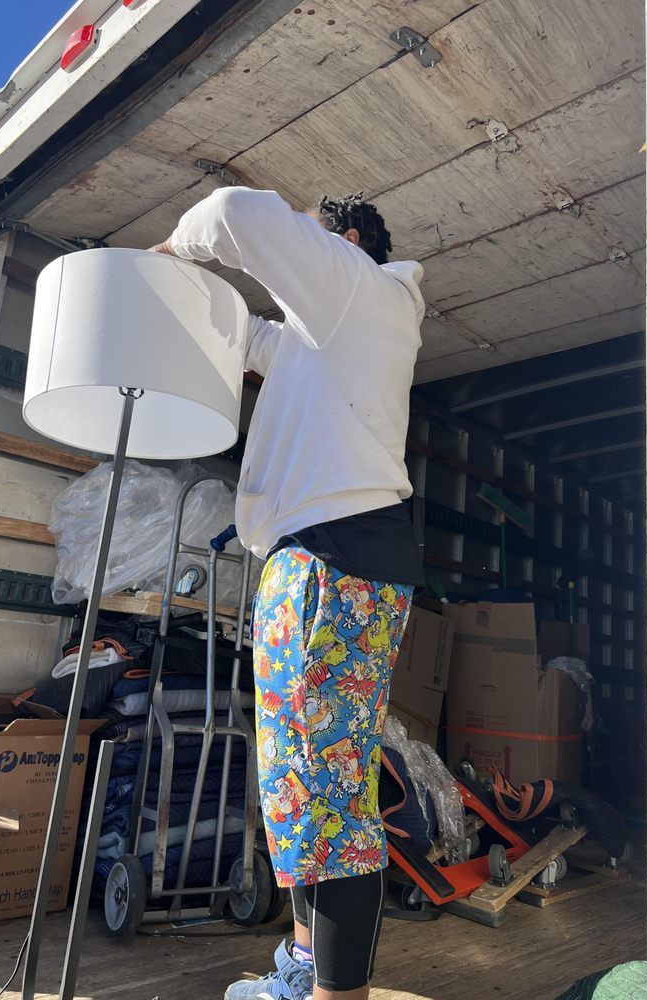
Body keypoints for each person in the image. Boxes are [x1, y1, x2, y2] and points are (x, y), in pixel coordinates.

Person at [149, 186, 426, 1000]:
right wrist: (194, 308)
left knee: (326, 801)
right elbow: (254, 340)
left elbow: (236, 211)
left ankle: (335, 995)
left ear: (341, 239)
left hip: (331, 567)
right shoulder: (333, 330)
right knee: (304, 788)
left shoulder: (356, 288)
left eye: (313, 236)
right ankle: (306, 967)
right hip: (330, 566)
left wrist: (171, 252)